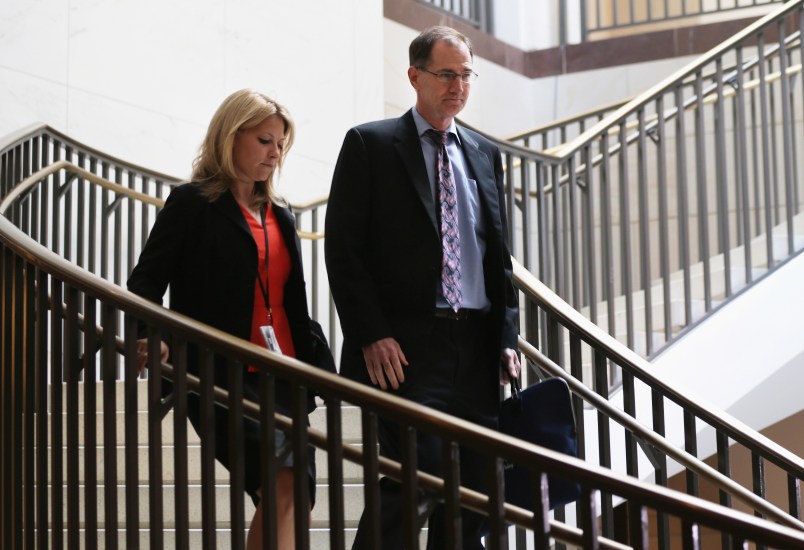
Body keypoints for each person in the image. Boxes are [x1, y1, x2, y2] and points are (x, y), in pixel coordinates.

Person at [324, 26, 521, 549]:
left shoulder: (482, 153)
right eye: (446, 74)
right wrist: (371, 334)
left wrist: (506, 336)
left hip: (477, 348)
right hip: (406, 350)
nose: (457, 86)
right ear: (414, 76)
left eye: (465, 75)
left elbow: (499, 257)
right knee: (410, 482)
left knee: (476, 493)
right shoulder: (371, 144)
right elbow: (343, 251)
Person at [127, 89, 319, 549]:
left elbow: (295, 304)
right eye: (264, 141)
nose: (275, 153)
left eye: (280, 145)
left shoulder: (282, 216)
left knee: (295, 492)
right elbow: (146, 283)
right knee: (280, 482)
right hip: (218, 371)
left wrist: (323, 371)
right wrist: (150, 337)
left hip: (283, 372)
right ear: (231, 137)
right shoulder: (193, 204)